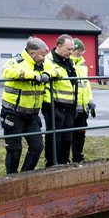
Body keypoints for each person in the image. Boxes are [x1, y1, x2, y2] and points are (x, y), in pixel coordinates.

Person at [0, 36, 51, 173]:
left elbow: (57, 71)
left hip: (32, 116)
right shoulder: (16, 61)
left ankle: (25, 175)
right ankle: (10, 178)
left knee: (37, 147)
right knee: (14, 149)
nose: (44, 58)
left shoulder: (43, 65)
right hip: (13, 115)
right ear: (31, 53)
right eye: (41, 55)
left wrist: (47, 73)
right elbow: (6, 71)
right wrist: (33, 75)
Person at [41, 35, 76, 167]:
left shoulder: (69, 61)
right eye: (68, 49)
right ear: (59, 46)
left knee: (67, 138)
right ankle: (51, 164)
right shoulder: (49, 61)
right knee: (55, 138)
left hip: (69, 106)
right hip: (54, 105)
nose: (71, 52)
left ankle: (64, 162)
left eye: (72, 49)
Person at [70, 38, 97, 162]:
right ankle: (64, 158)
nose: (80, 53)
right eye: (77, 51)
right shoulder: (67, 64)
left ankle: (78, 156)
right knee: (67, 134)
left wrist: (91, 103)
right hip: (70, 106)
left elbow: (86, 86)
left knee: (80, 134)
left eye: (82, 51)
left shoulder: (82, 65)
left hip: (82, 107)